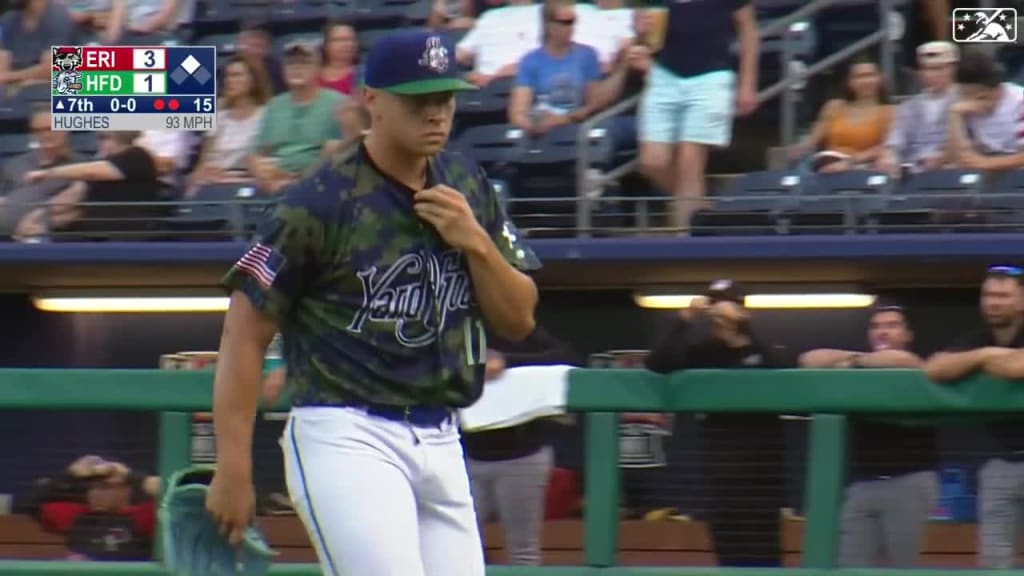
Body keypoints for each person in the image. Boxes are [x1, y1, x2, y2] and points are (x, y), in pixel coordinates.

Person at [205, 29, 541, 576]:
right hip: (347, 433)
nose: (436, 114)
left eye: (445, 99)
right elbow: (243, 333)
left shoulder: (466, 182)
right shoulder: (318, 203)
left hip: (443, 433)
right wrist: (233, 466)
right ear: (372, 100)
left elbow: (520, 317)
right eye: (418, 100)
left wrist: (477, 242)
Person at [645, 279, 788, 567]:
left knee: (765, 557)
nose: (720, 312)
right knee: (729, 557)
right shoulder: (704, 352)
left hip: (763, 478)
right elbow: (656, 363)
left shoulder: (763, 351)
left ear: (743, 312)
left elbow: (773, 370)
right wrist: (685, 319)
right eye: (716, 304)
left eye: (728, 304)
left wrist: (738, 327)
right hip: (721, 475)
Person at [799, 305, 938, 567]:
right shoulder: (860, 365)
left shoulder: (917, 363)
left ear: (908, 334)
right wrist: (858, 360)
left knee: (903, 567)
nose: (882, 332)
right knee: (849, 565)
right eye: (875, 327)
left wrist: (851, 363)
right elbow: (807, 360)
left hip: (909, 480)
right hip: (862, 484)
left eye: (892, 325)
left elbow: (904, 361)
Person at [924, 265, 1024, 569]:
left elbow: (1017, 368)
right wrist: (983, 355)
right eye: (988, 295)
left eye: (1003, 296)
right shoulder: (978, 337)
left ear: (1021, 301)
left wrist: (983, 360)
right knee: (994, 560)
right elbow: (935, 368)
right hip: (1000, 463)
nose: (993, 302)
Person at [629, 0, 759, 233]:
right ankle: (699, 204)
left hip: (712, 76)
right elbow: (647, 39)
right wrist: (641, 34)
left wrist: (747, 84)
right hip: (664, 74)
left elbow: (748, 31)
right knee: (651, 162)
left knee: (690, 160)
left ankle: (687, 240)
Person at [464, 326, 579, 566]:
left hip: (522, 455)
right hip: (466, 455)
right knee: (458, 544)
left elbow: (565, 357)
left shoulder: (514, 325)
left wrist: (505, 361)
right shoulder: (455, 324)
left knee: (523, 551)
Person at [788, 55, 894, 173]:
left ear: (880, 78)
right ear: (849, 82)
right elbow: (813, 140)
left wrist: (849, 162)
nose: (865, 81)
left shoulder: (889, 111)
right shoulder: (834, 107)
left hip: (862, 165)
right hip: (828, 163)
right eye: (859, 77)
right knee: (802, 160)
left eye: (870, 75)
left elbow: (885, 147)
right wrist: (802, 146)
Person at [876, 41, 958, 177]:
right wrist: (889, 155)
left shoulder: (964, 100)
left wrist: (944, 156)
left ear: (952, 69)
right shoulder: (909, 106)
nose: (929, 75)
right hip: (913, 173)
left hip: (952, 170)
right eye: (925, 69)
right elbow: (895, 142)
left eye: (937, 69)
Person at [947, 49, 1024, 172]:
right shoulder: (963, 106)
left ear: (997, 88)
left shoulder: (1020, 101)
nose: (974, 102)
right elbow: (959, 159)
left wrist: (986, 163)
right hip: (981, 171)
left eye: (982, 97)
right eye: (967, 96)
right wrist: (954, 114)